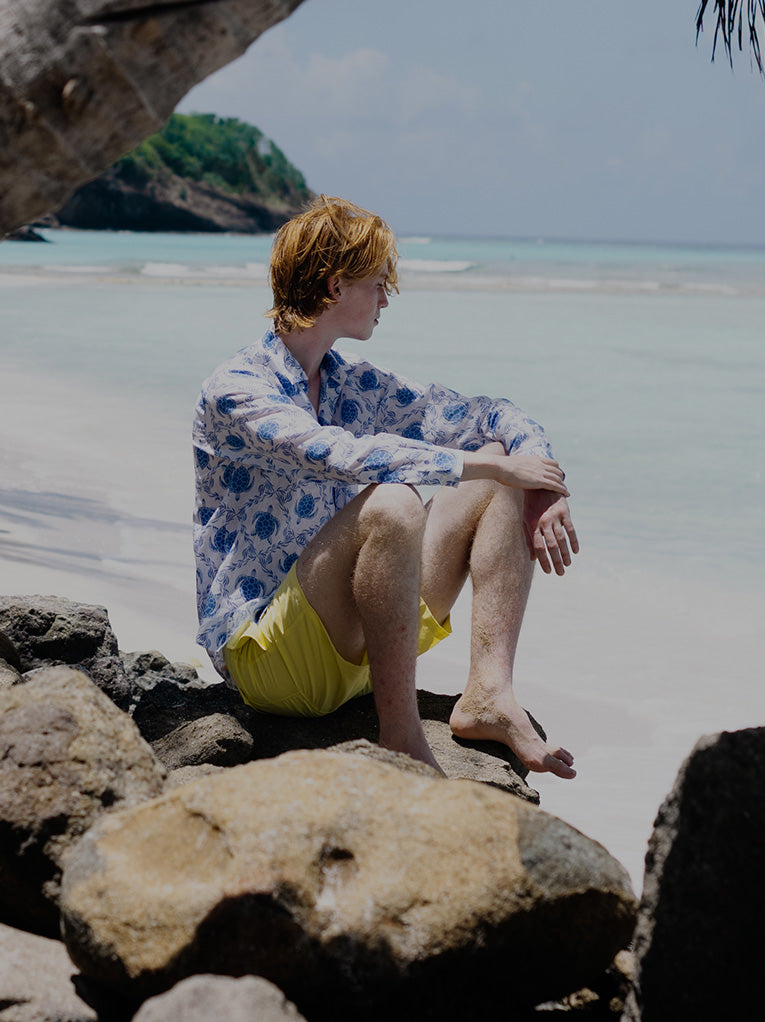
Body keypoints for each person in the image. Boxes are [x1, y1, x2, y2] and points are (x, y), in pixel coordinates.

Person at [192, 195, 578, 777]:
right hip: (273, 657)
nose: (386, 296)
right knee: (398, 500)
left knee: (499, 460)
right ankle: (400, 738)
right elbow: (339, 456)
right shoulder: (238, 388)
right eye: (376, 282)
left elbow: (487, 414)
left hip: (363, 640)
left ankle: (489, 693)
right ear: (333, 286)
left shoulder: (354, 383)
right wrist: (491, 467)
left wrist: (538, 476)